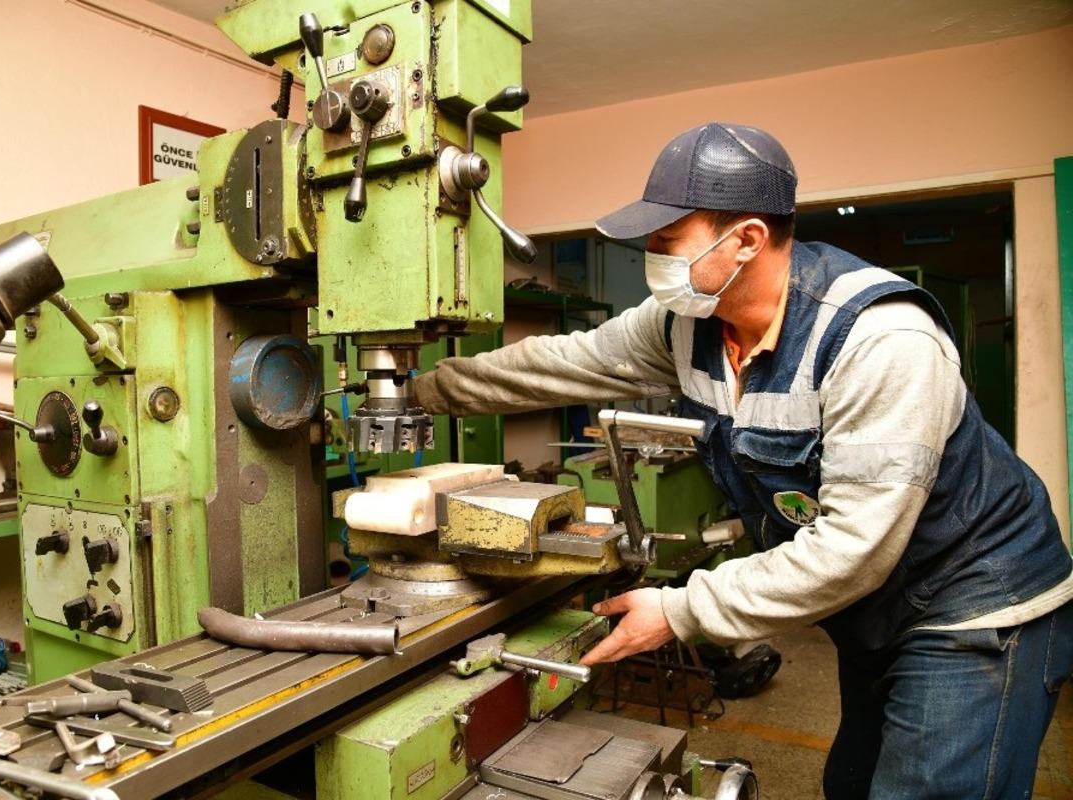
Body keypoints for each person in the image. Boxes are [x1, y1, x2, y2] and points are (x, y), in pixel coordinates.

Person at [412, 122, 1073, 798]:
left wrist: (680, 609)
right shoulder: (686, 325)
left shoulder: (883, 340)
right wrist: (420, 390)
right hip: (879, 605)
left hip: (978, 602)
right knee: (852, 783)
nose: (652, 256)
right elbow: (563, 364)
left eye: (668, 243)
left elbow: (853, 548)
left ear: (748, 240)